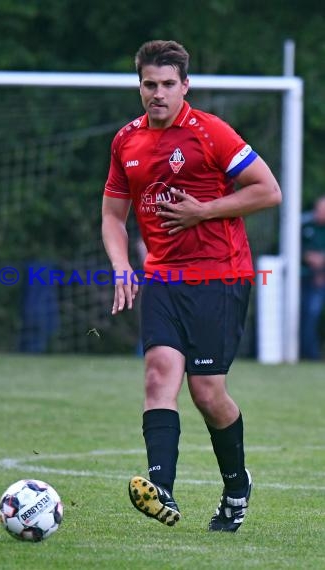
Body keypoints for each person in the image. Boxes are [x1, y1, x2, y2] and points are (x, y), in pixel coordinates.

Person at [101, 40, 282, 532]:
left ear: (185, 86)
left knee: (207, 393)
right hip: (162, 276)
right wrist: (122, 266)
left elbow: (268, 191)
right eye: (148, 84)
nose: (156, 94)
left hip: (219, 276)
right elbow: (113, 217)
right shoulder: (126, 141)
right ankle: (162, 488)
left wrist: (202, 210)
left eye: (166, 85)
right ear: (139, 85)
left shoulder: (210, 133)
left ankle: (236, 486)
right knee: (159, 373)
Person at [300, 195, 325, 359]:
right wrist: (308, 256)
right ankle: (310, 354)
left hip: (321, 279)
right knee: (309, 313)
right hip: (306, 279)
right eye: (318, 210)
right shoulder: (304, 225)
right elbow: (295, 249)